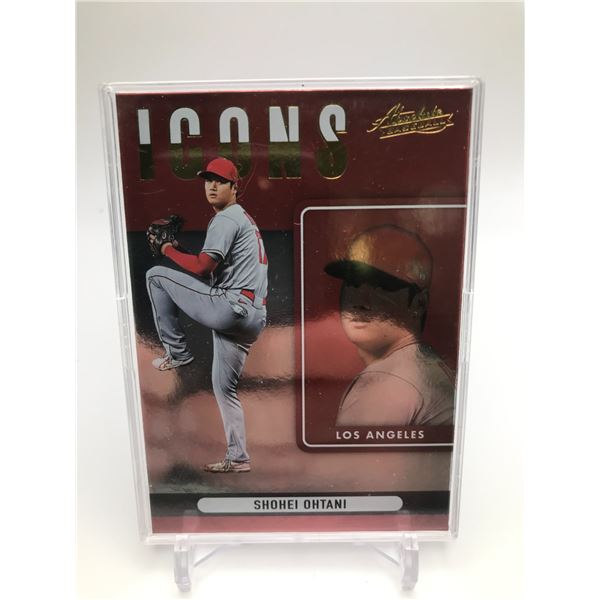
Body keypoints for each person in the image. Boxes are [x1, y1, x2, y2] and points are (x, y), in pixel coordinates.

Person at [145, 157, 268, 473]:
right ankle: (239, 458)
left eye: (220, 181)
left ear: (234, 186)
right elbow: (208, 273)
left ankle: (177, 353)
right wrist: (178, 248)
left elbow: (202, 267)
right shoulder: (244, 219)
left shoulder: (226, 218)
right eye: (207, 180)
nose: (212, 186)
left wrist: (167, 250)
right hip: (252, 315)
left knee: (156, 276)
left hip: (231, 307)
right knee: (224, 389)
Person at [324, 225, 454, 426]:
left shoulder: (385, 380)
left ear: (418, 303)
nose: (360, 299)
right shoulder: (423, 364)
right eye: (353, 282)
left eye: (381, 286)